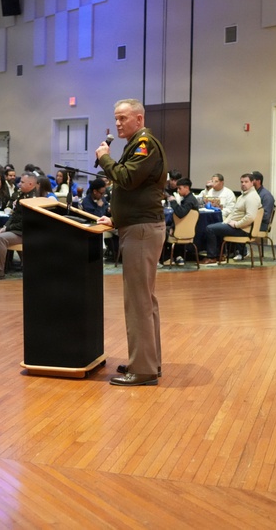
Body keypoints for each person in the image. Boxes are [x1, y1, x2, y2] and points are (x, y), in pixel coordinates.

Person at [95, 98, 167, 387]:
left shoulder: (144, 143)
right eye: (115, 118)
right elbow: (136, 189)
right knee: (145, 301)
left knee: (138, 302)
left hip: (141, 231)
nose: (118, 123)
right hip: (136, 226)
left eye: (123, 118)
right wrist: (116, 218)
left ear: (139, 119)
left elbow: (127, 177)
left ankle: (144, 369)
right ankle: (149, 362)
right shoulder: (136, 143)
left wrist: (104, 159)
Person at [0, 172, 37, 280]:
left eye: (22, 182)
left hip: (25, 232)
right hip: (16, 229)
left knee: (1, 238)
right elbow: (14, 215)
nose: (19, 184)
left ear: (30, 184)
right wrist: (5, 226)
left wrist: (8, 228)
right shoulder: (21, 194)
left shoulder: (34, 199)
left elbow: (26, 222)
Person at [201, 173, 261, 265]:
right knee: (217, 226)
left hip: (242, 229)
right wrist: (225, 222)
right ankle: (219, 255)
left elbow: (250, 217)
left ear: (252, 183)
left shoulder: (252, 197)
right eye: (242, 182)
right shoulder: (243, 196)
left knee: (210, 228)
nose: (243, 184)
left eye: (246, 182)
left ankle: (212, 257)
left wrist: (237, 224)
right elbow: (233, 212)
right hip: (236, 225)